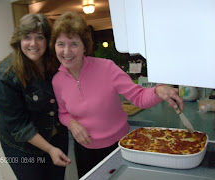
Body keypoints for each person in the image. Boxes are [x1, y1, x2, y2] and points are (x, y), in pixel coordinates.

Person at [50, 11, 184, 178]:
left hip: (119, 146)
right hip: (84, 150)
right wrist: (72, 124)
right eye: (60, 44)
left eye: (74, 44)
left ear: (84, 46)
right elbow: (63, 113)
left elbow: (139, 97)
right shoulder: (57, 80)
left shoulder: (107, 67)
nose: (66, 51)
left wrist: (158, 90)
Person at [0, 13, 71, 180]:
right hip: (22, 147)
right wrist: (50, 149)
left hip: (56, 138)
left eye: (40, 37)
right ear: (18, 40)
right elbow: (18, 126)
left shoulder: (55, 62)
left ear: (47, 40)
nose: (33, 44)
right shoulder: (6, 74)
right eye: (27, 37)